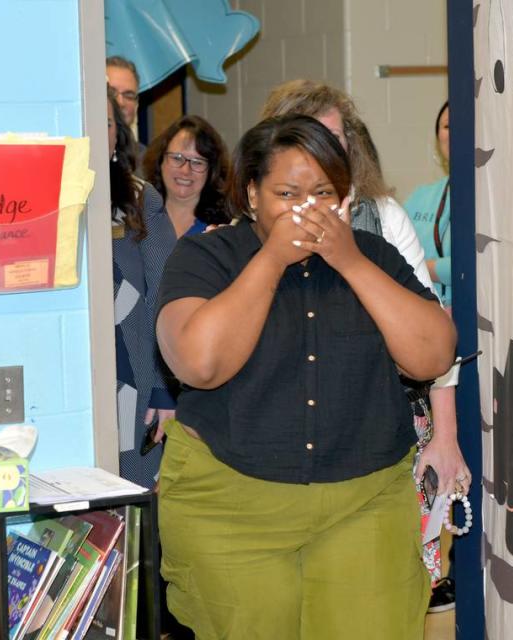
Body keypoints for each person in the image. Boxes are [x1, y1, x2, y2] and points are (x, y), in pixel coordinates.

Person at [155, 114, 457, 639]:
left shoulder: (375, 257)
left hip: (364, 501)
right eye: (287, 193)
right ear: (252, 194)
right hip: (230, 502)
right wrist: (271, 260)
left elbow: (432, 356)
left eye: (322, 193)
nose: (306, 209)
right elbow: (198, 364)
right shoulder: (208, 255)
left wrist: (352, 262)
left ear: (344, 200)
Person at [260, 80, 470, 601]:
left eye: (340, 138)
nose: (330, 153)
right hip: (287, 447)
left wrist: (445, 438)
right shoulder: (255, 227)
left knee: (380, 589)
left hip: (382, 429)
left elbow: (432, 333)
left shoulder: (383, 216)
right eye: (315, 137)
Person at [403, 100, 458, 611]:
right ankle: (435, 571)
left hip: (466, 343)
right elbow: (402, 266)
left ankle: (456, 565)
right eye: (444, 125)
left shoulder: (484, 191)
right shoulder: (421, 196)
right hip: (424, 350)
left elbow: (473, 262)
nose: (451, 134)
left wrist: (432, 268)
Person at [106, 86, 176, 488]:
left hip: (135, 382)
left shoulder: (139, 197)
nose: (98, 131)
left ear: (119, 134)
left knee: (133, 501)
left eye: (107, 123)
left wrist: (166, 389)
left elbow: (166, 296)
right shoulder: (48, 195)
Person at [142, 115, 231, 237]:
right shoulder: (135, 220)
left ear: (212, 170)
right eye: (177, 158)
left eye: (197, 162)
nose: (185, 170)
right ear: (160, 160)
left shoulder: (224, 231)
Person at [405, 101, 452, 308]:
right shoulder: (419, 197)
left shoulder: (495, 203)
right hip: (425, 314)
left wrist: (424, 268)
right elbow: (392, 256)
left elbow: (483, 265)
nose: (455, 131)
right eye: (448, 126)